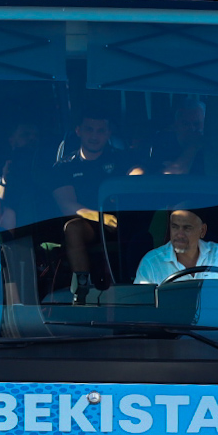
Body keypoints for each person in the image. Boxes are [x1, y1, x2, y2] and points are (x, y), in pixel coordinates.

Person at [51, 110, 144, 302]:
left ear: (109, 133)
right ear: (78, 131)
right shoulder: (64, 166)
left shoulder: (121, 157)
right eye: (89, 129)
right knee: (72, 228)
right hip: (89, 225)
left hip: (122, 222)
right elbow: (67, 204)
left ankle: (142, 288)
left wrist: (137, 177)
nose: (94, 135)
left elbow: (138, 175)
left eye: (101, 130)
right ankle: (82, 289)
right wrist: (101, 218)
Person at [134, 208, 218, 285]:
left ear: (202, 230)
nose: (179, 234)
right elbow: (141, 305)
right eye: (175, 227)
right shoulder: (152, 263)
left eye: (187, 228)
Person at [149, 98, 206, 175]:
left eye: (196, 123)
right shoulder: (163, 143)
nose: (192, 128)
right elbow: (165, 177)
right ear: (176, 125)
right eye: (185, 124)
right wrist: (193, 147)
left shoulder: (210, 147)